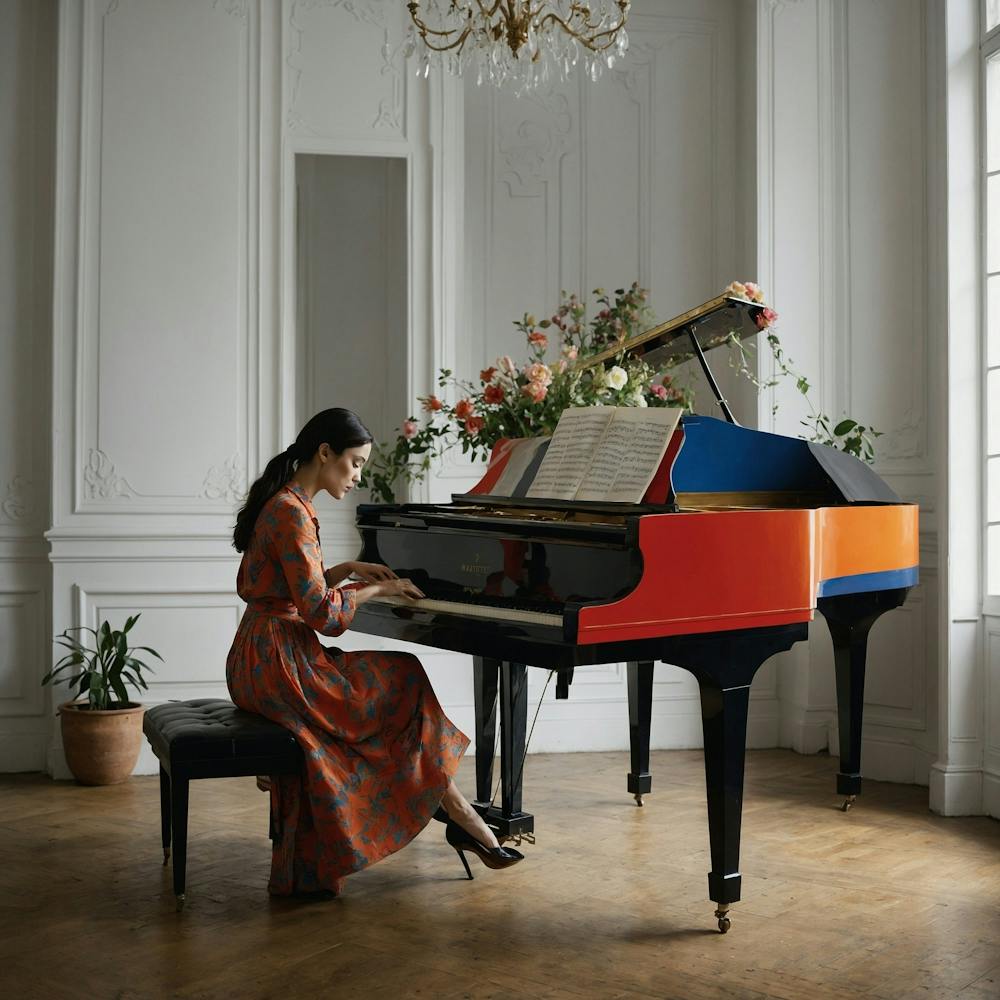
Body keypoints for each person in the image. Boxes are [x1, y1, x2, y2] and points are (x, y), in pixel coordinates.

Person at [226, 407, 522, 898]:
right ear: (325, 453)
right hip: (280, 664)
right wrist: (377, 590)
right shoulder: (291, 511)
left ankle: (458, 812)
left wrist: (346, 569)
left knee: (396, 688)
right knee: (402, 680)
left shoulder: (287, 503)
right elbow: (321, 613)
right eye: (356, 462)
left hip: (259, 656)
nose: (358, 476)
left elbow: (287, 586)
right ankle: (460, 813)